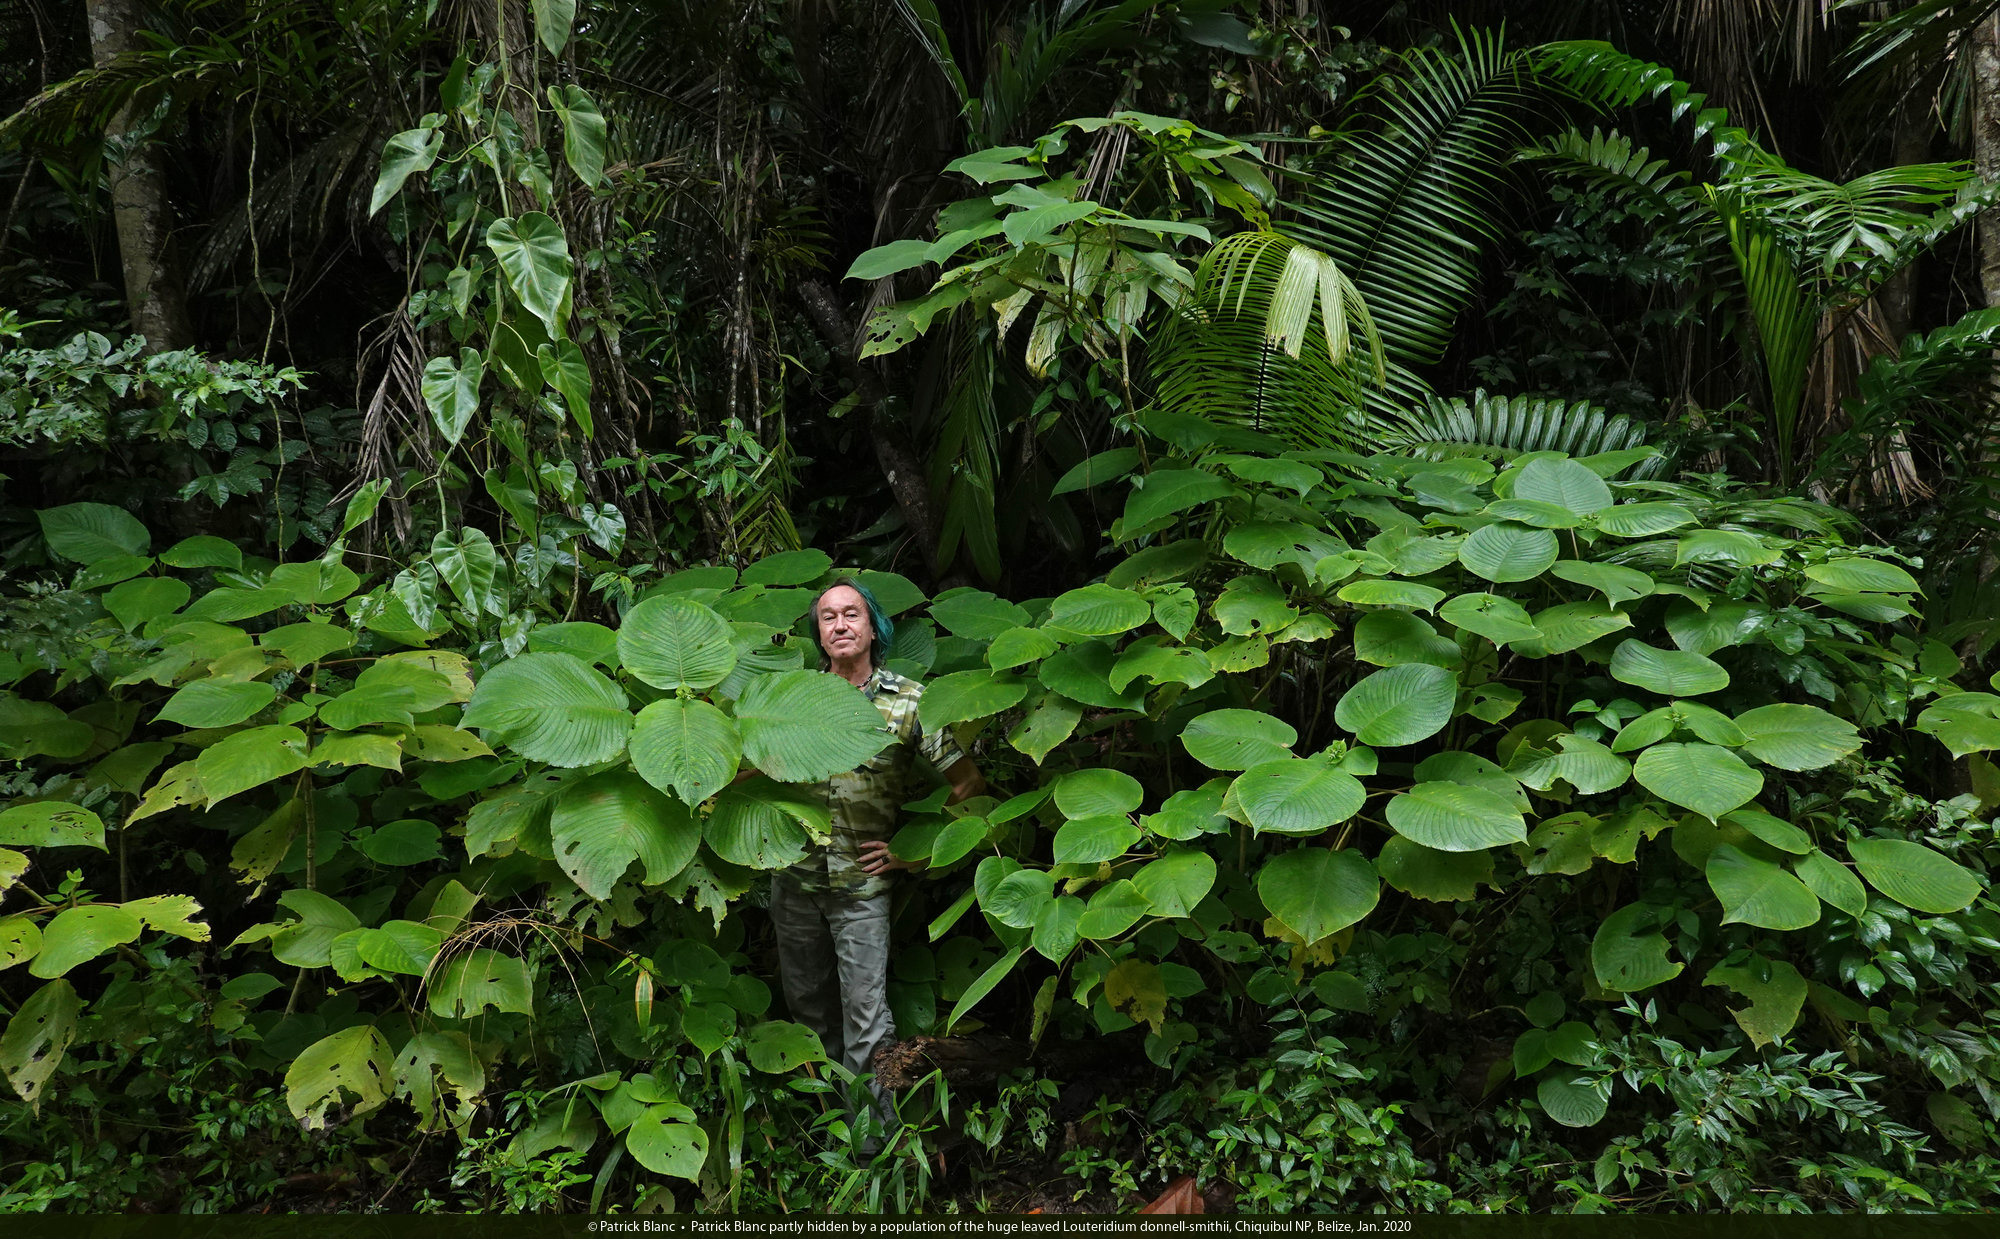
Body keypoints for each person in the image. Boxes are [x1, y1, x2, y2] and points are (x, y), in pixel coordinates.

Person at [768, 579, 985, 1148]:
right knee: (807, 1014)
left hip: (862, 887)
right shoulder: (793, 698)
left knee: (866, 1018)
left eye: (852, 614)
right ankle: (821, 1142)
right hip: (793, 881)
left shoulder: (909, 701)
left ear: (873, 626)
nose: (840, 625)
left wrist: (911, 853)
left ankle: (873, 1152)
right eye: (828, 617)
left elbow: (967, 785)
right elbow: (753, 768)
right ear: (818, 633)